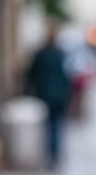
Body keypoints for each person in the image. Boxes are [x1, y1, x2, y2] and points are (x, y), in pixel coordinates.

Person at [25, 26, 73, 166]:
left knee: (49, 125)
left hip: (46, 95)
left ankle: (51, 151)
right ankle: (55, 151)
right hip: (59, 96)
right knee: (57, 125)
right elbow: (67, 76)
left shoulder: (41, 55)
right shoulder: (61, 54)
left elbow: (32, 74)